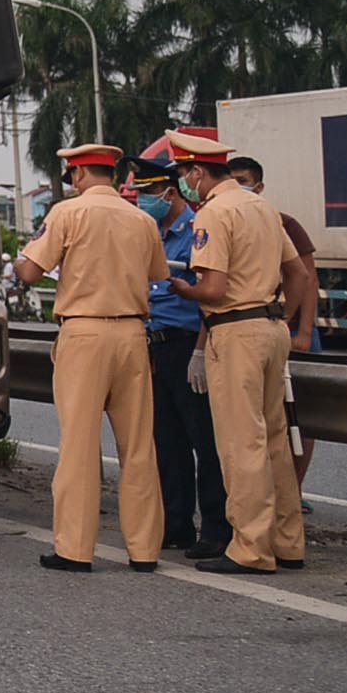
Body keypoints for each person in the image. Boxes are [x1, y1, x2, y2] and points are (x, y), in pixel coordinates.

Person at [10, 144, 169, 572]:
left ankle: (75, 550)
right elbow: (158, 274)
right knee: (138, 447)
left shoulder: (67, 213)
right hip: (133, 333)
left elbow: (30, 272)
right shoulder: (142, 219)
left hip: (84, 332)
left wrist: (21, 263)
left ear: (78, 174)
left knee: (79, 445)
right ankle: (144, 551)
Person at [172, 128, 303, 574]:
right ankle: (288, 542)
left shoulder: (213, 213)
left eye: (184, 174)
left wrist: (184, 289)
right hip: (272, 326)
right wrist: (282, 318)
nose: (184, 183)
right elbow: (299, 273)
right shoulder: (262, 206)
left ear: (196, 172)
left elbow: (213, 288)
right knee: (274, 441)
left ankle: (250, 548)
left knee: (240, 443)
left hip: (234, 331)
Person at [128, 156, 228, 555]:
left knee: (205, 440)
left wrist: (200, 351)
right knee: (166, 442)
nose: (144, 199)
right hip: (155, 344)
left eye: (149, 191)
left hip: (189, 343)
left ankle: (215, 528)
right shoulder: (149, 232)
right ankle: (176, 524)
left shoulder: (198, 230)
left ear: (170, 191)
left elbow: (209, 297)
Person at [228, 153, 321, 489]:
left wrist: (302, 329)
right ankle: (266, 489)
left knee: (297, 418)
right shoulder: (226, 219)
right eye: (232, 181)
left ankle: (294, 488)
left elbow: (306, 278)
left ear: (259, 185)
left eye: (243, 181)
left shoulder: (282, 222)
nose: (237, 187)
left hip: (286, 329)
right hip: (254, 332)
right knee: (258, 419)